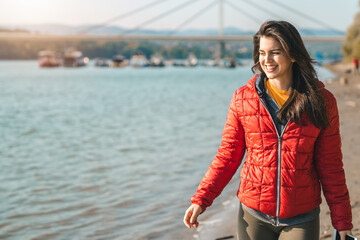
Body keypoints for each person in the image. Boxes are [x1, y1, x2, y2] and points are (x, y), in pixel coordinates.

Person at [183, 21, 353, 240]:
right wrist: (200, 199)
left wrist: (342, 222)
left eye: (275, 52)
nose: (266, 60)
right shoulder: (242, 99)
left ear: (293, 55)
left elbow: (331, 166)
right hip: (253, 216)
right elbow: (227, 156)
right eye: (262, 52)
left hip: (301, 217)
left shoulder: (322, 102)